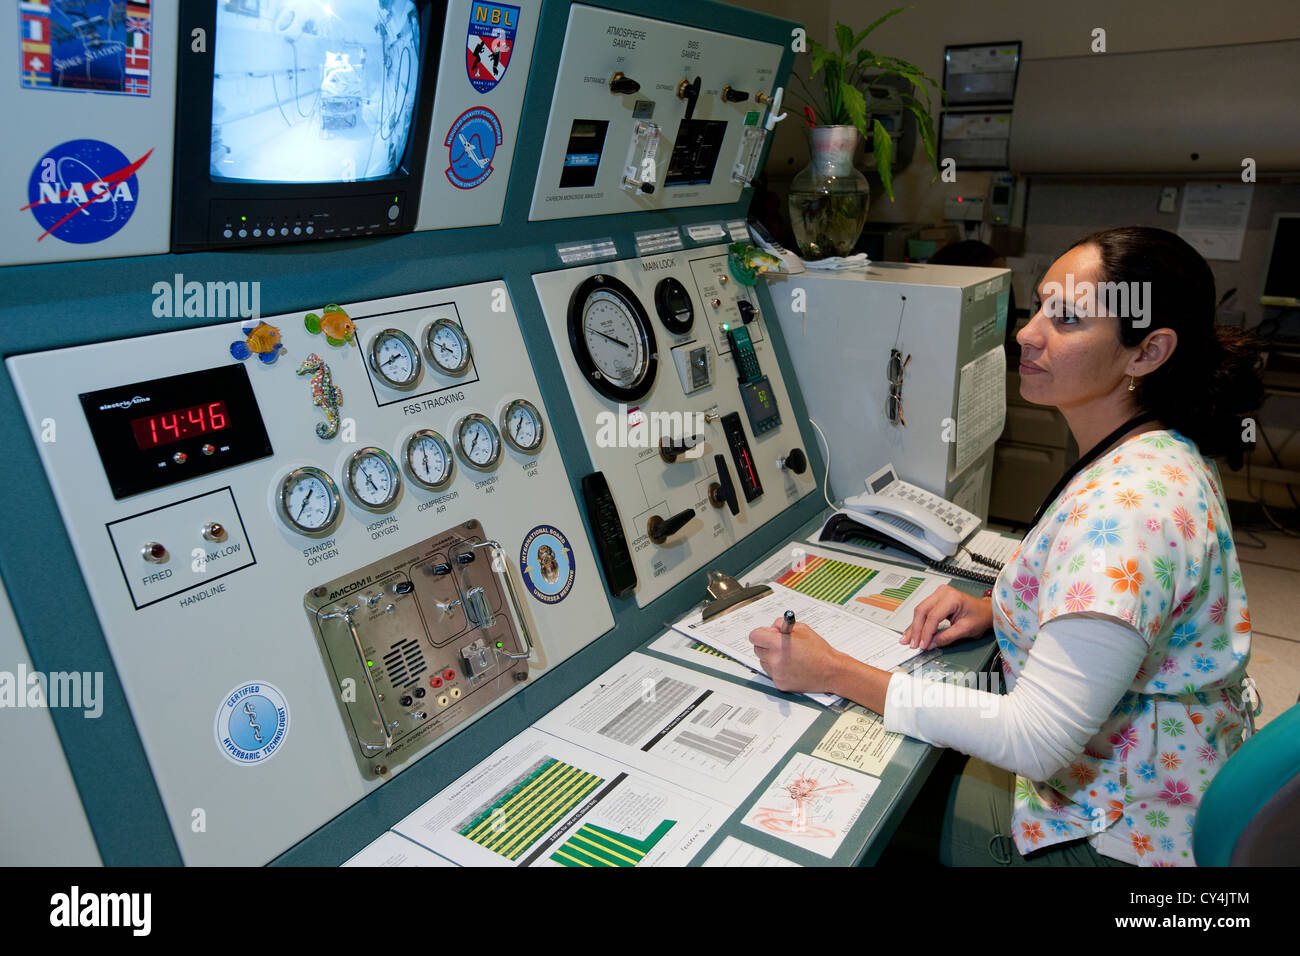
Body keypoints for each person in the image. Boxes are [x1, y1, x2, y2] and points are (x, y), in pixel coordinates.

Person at [749, 226, 1264, 866]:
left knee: (873, 812)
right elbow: (1124, 608)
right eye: (1042, 304)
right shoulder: (1157, 449)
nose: (1027, 333)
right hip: (1154, 784)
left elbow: (1034, 741)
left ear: (1147, 353)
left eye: (1069, 318)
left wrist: (833, 672)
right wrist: (1004, 608)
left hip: (1116, 838)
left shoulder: (1131, 510)